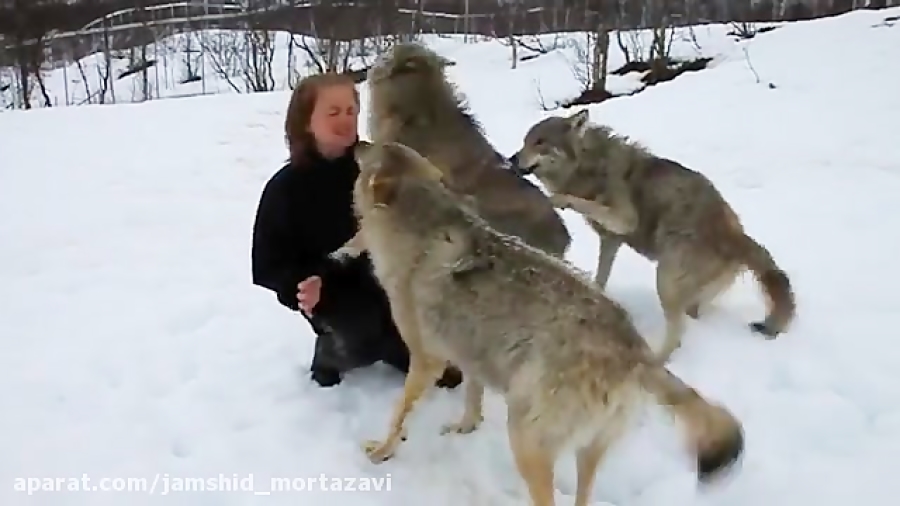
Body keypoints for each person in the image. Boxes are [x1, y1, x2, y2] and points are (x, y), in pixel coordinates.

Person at [250, 72, 462, 389]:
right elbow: (267, 264)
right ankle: (331, 353)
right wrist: (302, 284)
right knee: (361, 339)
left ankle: (399, 344)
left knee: (424, 354)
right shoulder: (286, 189)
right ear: (306, 122)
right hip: (333, 292)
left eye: (351, 111)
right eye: (333, 112)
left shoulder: (376, 165)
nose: (345, 120)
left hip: (389, 280)